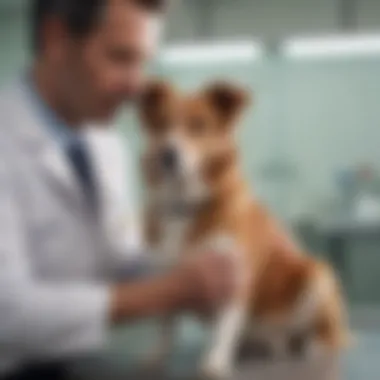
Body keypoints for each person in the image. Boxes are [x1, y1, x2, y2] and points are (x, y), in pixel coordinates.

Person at [0, 0, 238, 379]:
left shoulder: (108, 146)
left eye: (142, 62)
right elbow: (7, 314)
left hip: (82, 364)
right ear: (56, 38)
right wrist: (167, 292)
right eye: (120, 58)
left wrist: (188, 269)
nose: (137, 85)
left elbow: (119, 260)